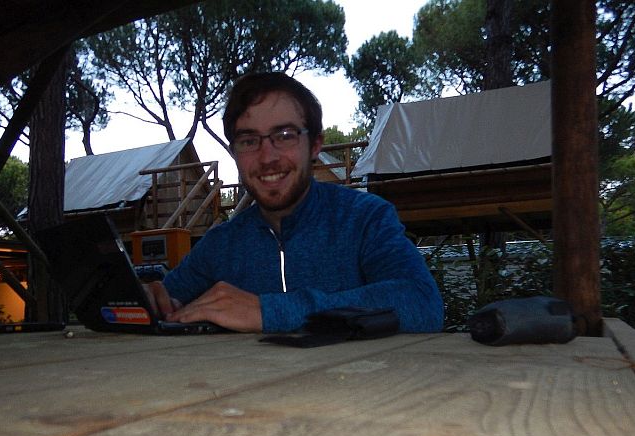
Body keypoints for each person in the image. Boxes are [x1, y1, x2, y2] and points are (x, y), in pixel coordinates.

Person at [145, 72, 443, 334]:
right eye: (249, 141)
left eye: (285, 135)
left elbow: (422, 304)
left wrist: (269, 311)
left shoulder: (365, 218)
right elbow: (167, 301)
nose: (267, 157)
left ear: (314, 145)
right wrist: (150, 300)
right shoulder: (219, 245)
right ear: (234, 153)